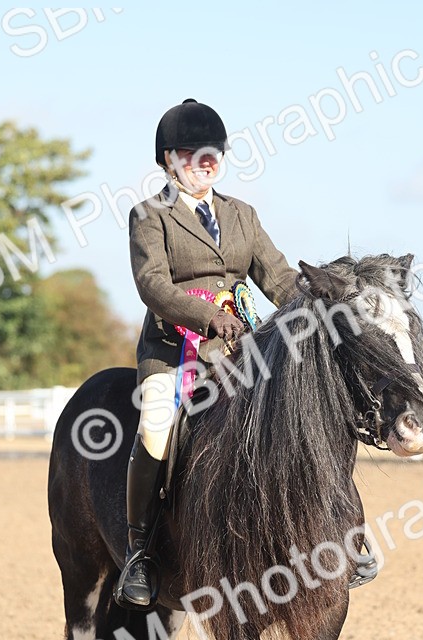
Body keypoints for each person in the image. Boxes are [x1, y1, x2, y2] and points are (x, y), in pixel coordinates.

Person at [116, 98, 299, 610]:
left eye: (212, 154)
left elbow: (278, 277)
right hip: (175, 350)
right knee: (156, 425)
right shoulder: (150, 216)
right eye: (192, 155)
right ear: (168, 161)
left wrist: (319, 302)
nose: (205, 163)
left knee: (303, 408)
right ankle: (139, 551)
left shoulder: (243, 215)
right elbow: (152, 284)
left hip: (242, 348)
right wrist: (204, 316)